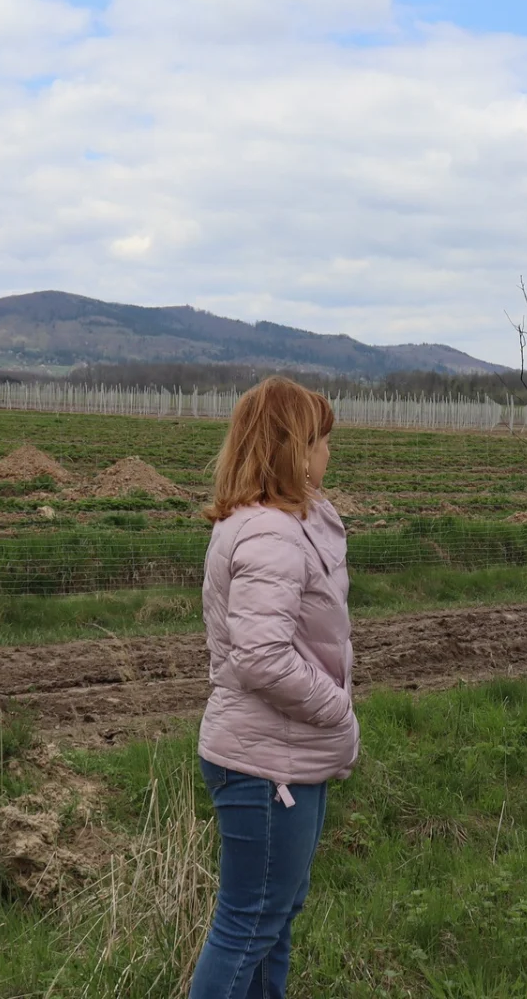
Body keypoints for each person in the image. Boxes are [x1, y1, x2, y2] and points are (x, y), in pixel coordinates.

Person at [189, 376, 357, 999]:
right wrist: (336, 708)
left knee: (271, 922)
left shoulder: (283, 525)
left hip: (281, 755)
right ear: (291, 446)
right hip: (264, 766)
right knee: (247, 927)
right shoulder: (270, 536)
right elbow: (261, 657)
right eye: (319, 440)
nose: (327, 453)